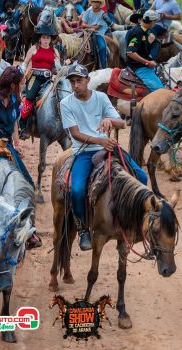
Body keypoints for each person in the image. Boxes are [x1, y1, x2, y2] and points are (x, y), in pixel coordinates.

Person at [60, 64, 148, 251]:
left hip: (108, 147)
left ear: (88, 80)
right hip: (83, 151)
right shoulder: (66, 103)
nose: (76, 85)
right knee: (76, 190)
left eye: (79, 80)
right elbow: (75, 133)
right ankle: (83, 228)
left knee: (141, 177)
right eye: (72, 81)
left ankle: (136, 220)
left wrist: (110, 120)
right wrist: (99, 141)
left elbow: (121, 123)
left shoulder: (100, 98)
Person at [20, 25, 61, 138]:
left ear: (51, 39)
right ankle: (22, 126)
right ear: (39, 38)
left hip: (49, 79)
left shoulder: (55, 51)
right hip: (35, 77)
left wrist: (56, 75)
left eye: (48, 38)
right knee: (29, 97)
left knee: (59, 96)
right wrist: (20, 72)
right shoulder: (33, 48)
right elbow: (25, 63)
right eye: (43, 37)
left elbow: (58, 68)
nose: (46, 40)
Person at [126, 10, 163, 92]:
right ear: (152, 22)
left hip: (143, 66)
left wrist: (149, 43)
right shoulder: (137, 32)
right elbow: (130, 53)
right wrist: (148, 62)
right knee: (160, 91)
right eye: (155, 21)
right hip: (139, 67)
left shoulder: (145, 31)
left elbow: (141, 48)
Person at [80, 0, 112, 69]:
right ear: (92, 3)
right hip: (86, 32)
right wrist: (91, 27)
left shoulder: (102, 14)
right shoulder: (88, 11)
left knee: (102, 47)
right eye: (94, 2)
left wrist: (88, 26)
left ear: (100, 4)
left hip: (98, 33)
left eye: (97, 2)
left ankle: (103, 67)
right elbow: (83, 24)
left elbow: (97, 27)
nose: (95, 4)